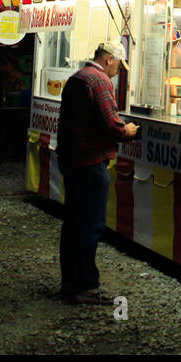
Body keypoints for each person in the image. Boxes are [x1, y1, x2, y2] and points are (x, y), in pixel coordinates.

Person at [55, 42, 139, 304]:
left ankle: (69, 283)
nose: (117, 72)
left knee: (73, 224)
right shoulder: (99, 82)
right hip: (91, 162)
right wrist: (129, 131)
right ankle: (87, 286)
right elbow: (112, 126)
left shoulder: (77, 77)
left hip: (72, 160)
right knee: (90, 226)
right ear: (109, 60)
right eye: (117, 67)